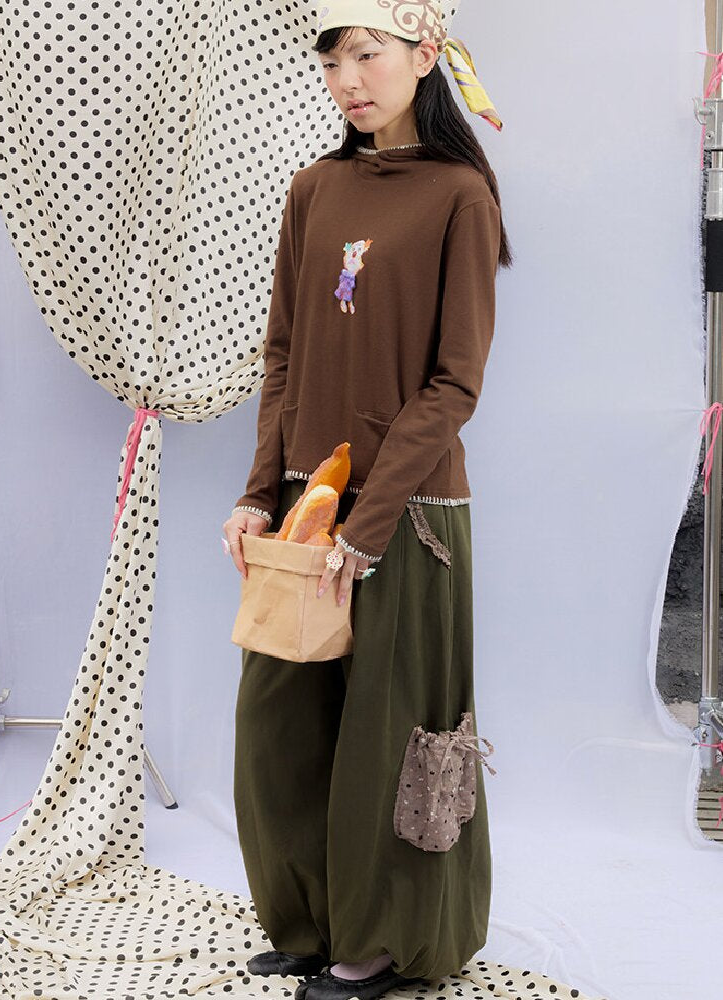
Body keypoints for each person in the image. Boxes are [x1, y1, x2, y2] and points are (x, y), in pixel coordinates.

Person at [221, 3, 513, 998]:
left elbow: (455, 384)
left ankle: (384, 937)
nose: (347, 78)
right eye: (332, 60)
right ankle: (311, 919)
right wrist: (260, 495)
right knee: (280, 729)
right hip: (306, 508)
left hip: (411, 517)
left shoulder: (460, 196)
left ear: (425, 56)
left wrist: (371, 523)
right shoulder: (314, 188)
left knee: (387, 738)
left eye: (367, 54)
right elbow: (284, 356)